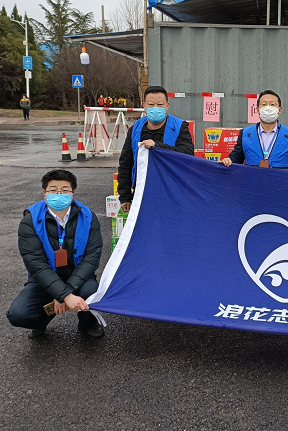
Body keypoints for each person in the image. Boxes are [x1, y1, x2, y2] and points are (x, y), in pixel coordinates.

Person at [6, 170, 105, 338]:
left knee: (91, 292)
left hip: (78, 276)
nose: (59, 194)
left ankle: (87, 323)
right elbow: (36, 265)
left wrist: (65, 293)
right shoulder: (30, 221)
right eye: (53, 190)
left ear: (73, 193)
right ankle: (41, 321)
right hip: (43, 279)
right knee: (18, 314)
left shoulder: (88, 217)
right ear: (44, 193)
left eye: (65, 190)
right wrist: (65, 295)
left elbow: (91, 258)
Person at [117, 86, 194, 212]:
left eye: (160, 104)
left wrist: (157, 147)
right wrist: (125, 196)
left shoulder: (179, 127)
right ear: (144, 106)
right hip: (142, 192)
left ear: (167, 106)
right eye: (151, 104)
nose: (155, 108)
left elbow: (187, 154)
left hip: (173, 192)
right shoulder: (136, 128)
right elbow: (126, 163)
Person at [221, 90, 288, 174]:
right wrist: (229, 160)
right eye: (264, 104)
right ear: (257, 110)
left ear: (279, 110)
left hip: (282, 184)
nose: (268, 108)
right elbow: (236, 157)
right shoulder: (245, 134)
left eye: (272, 104)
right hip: (252, 184)